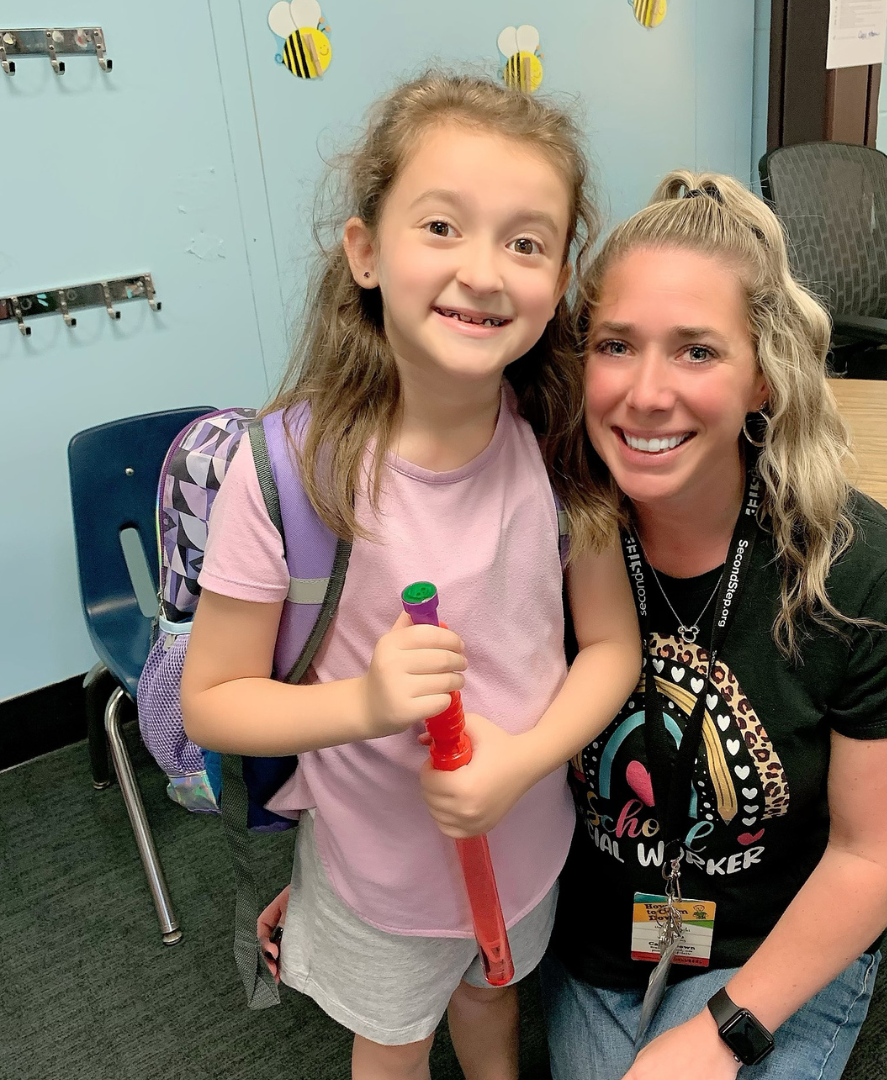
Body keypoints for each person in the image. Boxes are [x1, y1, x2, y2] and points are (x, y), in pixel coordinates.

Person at [181, 72, 640, 1080]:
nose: (484, 271)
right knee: (391, 1042)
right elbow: (211, 700)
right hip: (376, 874)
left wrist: (520, 764)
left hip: (522, 842)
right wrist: (371, 700)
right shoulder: (285, 475)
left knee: (492, 1001)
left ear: (560, 278)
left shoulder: (561, 446)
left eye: (526, 242)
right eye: (441, 225)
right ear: (365, 252)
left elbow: (611, 649)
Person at [541, 171, 887, 1080]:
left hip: (771, 940)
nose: (646, 394)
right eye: (617, 345)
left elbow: (872, 853)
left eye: (696, 352)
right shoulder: (551, 532)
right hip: (600, 934)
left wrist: (725, 1029)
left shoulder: (868, 575)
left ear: (764, 375)